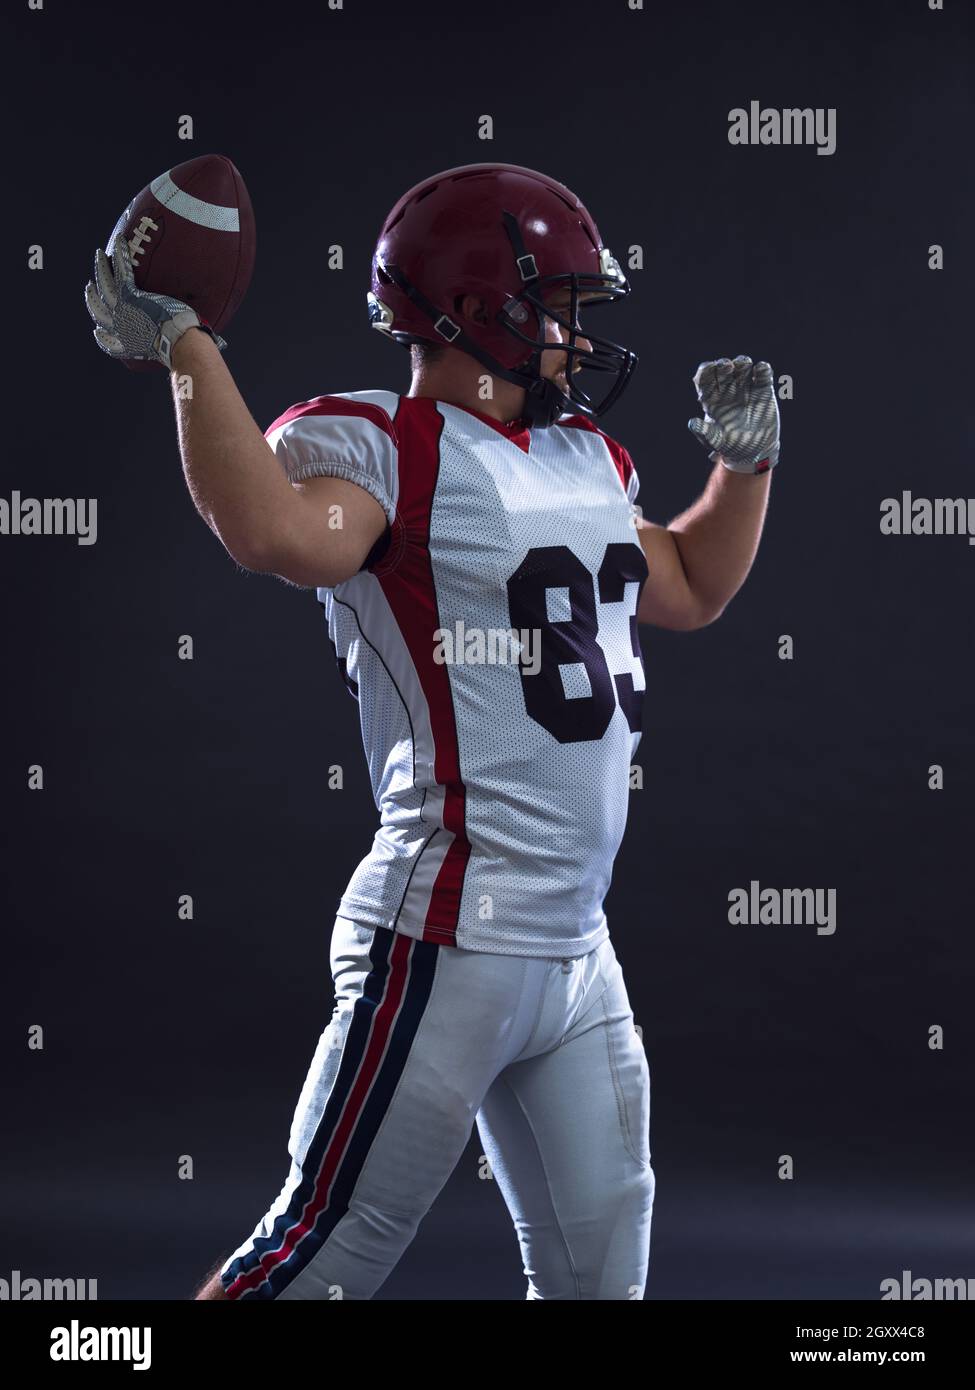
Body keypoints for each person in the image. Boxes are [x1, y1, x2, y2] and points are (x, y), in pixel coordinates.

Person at [85, 162, 779, 1300]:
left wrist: (744, 467)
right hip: (446, 934)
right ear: (476, 306)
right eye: (559, 303)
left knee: (602, 1274)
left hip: (574, 947)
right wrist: (190, 346)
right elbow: (270, 531)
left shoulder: (587, 457)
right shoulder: (388, 444)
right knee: (321, 1254)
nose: (574, 333)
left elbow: (694, 584)